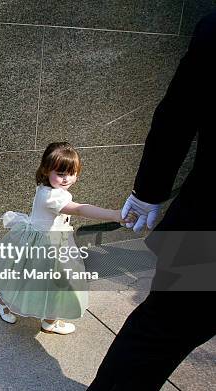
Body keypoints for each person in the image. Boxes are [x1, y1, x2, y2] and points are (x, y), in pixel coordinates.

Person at [87, 11, 216, 390]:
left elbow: (176, 116)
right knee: (163, 328)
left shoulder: (214, 28)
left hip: (207, 220)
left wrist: (149, 191)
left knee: (161, 331)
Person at [0, 142, 131, 335]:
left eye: (71, 173)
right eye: (61, 174)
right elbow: (79, 208)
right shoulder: (51, 197)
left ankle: (45, 318)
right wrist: (114, 214)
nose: (66, 179)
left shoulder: (46, 188)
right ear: (46, 171)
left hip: (50, 242)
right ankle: (20, 309)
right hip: (46, 245)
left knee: (36, 281)